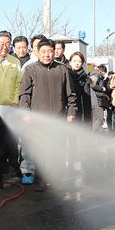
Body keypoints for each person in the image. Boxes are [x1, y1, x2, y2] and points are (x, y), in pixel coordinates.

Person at [19, 38, 77, 191]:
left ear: (54, 52)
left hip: (58, 117)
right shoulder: (31, 69)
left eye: (50, 51)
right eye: (43, 51)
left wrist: (71, 112)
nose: (47, 55)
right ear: (37, 53)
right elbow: (25, 94)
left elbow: (71, 95)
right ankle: (41, 179)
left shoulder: (63, 69)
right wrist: (25, 113)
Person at [0, 30, 22, 189]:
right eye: (0, 44)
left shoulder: (15, 62)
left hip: (9, 110)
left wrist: (15, 102)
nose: (4, 47)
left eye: (7, 44)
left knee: (8, 143)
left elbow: (18, 84)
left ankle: (4, 170)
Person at [89, 64, 110, 132]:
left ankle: (94, 135)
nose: (104, 74)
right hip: (96, 101)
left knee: (96, 119)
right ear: (102, 70)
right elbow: (93, 85)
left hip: (95, 100)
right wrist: (102, 88)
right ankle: (93, 134)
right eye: (104, 72)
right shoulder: (96, 74)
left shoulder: (95, 74)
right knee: (100, 118)